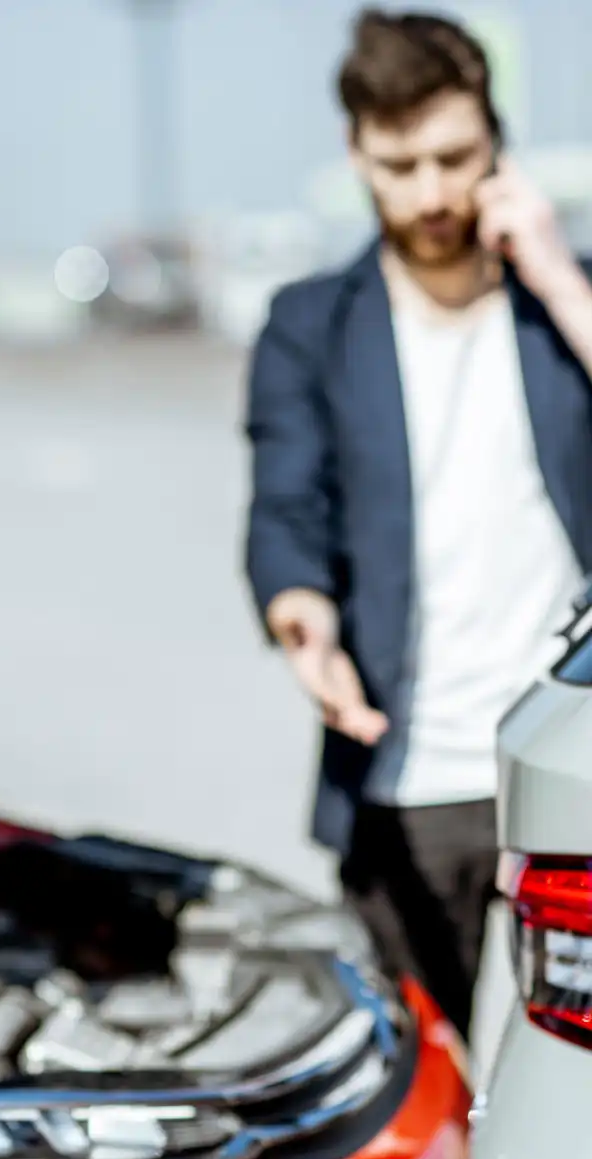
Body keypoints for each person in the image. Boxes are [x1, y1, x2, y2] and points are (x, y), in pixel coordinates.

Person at [243, 8, 592, 1041]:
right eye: (401, 165)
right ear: (357, 153)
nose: (432, 192)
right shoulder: (311, 326)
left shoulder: (562, 306)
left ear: (498, 141)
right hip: (408, 777)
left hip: (573, 760)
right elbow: (284, 507)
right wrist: (300, 616)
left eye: (455, 156)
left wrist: (558, 274)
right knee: (422, 1105)